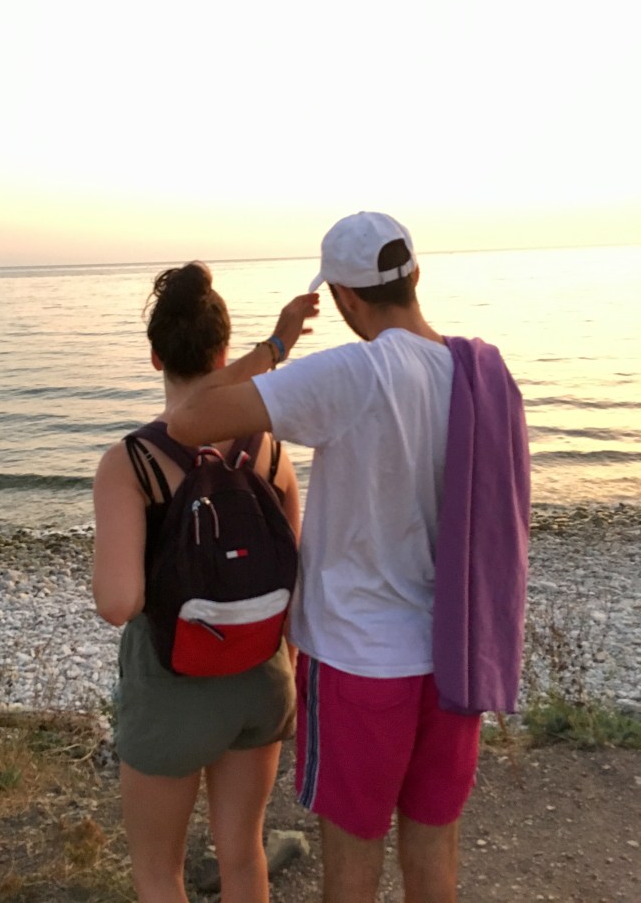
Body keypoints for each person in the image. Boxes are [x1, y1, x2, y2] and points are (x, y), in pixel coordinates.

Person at [168, 212, 530, 903]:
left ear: (343, 297)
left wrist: (276, 344)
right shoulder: (476, 372)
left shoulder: (352, 374)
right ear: (415, 275)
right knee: (434, 850)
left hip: (359, 661)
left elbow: (188, 418)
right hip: (454, 656)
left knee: (353, 860)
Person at [92, 262, 301, 903]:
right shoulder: (269, 451)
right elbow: (293, 573)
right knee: (243, 853)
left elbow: (119, 602)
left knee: (161, 872)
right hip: (262, 677)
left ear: (156, 357)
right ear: (224, 352)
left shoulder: (131, 463)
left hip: (172, 688)